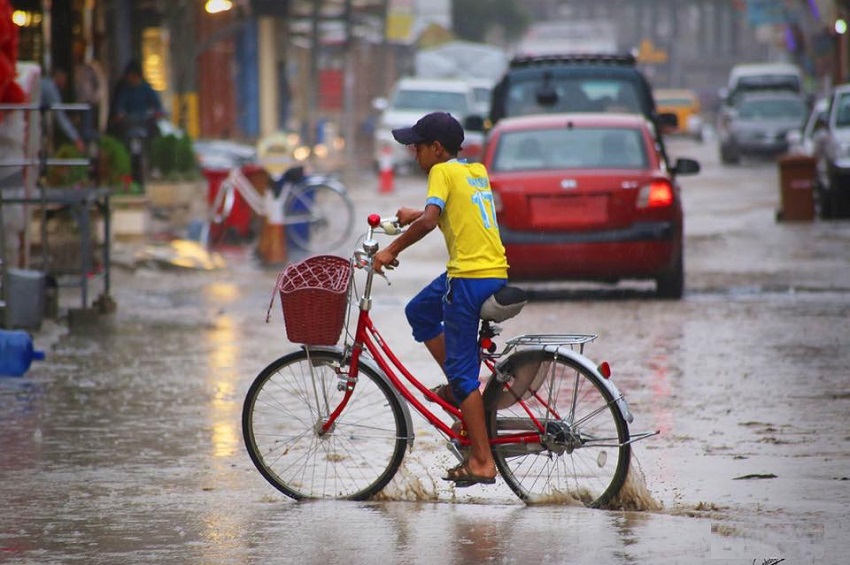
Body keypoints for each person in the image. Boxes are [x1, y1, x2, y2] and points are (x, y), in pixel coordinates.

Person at [372, 111, 509, 487]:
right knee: (419, 311)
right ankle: (457, 391)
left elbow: (431, 221)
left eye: (417, 147)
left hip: (468, 279)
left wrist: (391, 249)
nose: (413, 153)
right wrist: (414, 213)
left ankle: (482, 461)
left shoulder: (440, 172)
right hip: (493, 271)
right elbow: (452, 209)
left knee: (465, 377)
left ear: (436, 148)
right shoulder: (474, 170)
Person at [109, 59, 164, 139]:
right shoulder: (123, 89)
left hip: (144, 122)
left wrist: (157, 112)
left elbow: (157, 105)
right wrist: (118, 115)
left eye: (134, 76)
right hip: (128, 123)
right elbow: (118, 106)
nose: (132, 79)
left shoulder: (146, 89)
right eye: (130, 76)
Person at [39, 67, 85, 153]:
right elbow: (61, 117)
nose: (65, 83)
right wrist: (76, 138)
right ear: (59, 78)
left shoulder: (46, 82)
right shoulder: (52, 90)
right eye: (64, 80)